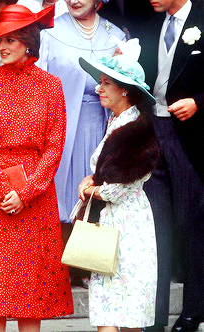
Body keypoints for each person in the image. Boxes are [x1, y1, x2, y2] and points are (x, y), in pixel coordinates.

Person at [0, 4, 73, 332]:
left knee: (32, 294)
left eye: (10, 40)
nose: (2, 47)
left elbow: (54, 147)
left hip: (36, 197)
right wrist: (3, 189)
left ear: (29, 41)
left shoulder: (51, 86)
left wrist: (25, 192)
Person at [77, 54, 159, 332]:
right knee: (111, 306)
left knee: (126, 306)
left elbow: (117, 188)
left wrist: (92, 189)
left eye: (106, 83)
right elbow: (107, 172)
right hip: (114, 220)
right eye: (100, 82)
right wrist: (91, 178)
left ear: (124, 89)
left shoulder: (135, 129)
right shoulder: (118, 121)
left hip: (128, 225)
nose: (99, 88)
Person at [138, 0, 204, 331]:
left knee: (193, 223)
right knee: (155, 225)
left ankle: (193, 311)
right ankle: (154, 314)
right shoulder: (151, 23)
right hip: (152, 129)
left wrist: (199, 102)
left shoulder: (202, 16)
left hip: (190, 136)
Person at [38, 0, 126, 232]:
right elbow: (38, 86)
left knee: (98, 202)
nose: (74, 0)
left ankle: (92, 258)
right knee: (61, 204)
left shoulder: (115, 34)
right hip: (61, 127)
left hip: (101, 124)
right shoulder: (50, 31)